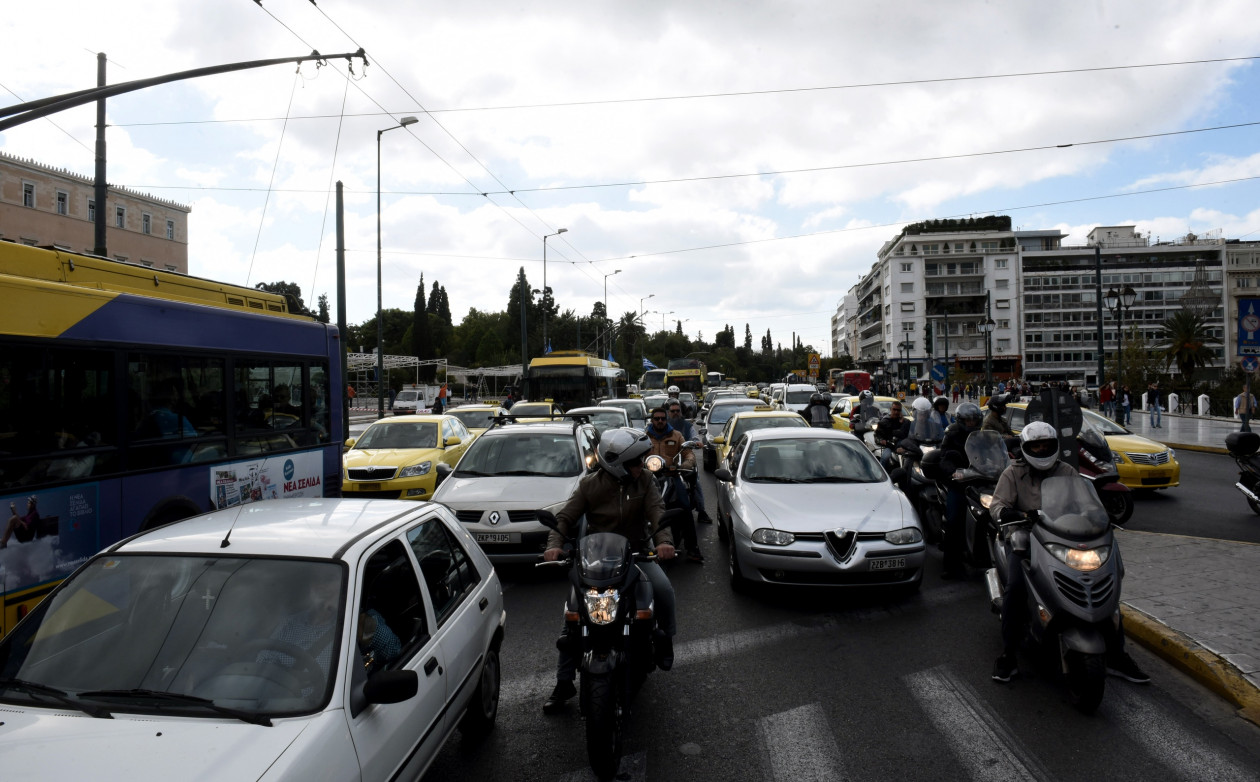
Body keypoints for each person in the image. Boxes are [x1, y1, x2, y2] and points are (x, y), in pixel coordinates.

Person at [989, 421, 1149, 685]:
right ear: (1026, 448)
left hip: (1063, 538)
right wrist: (1008, 513)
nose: (1041, 450)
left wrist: (1093, 515)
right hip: (1025, 539)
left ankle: (1118, 656)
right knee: (1016, 589)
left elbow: (1084, 502)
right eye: (1035, 446)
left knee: (1105, 588)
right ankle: (1008, 654)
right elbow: (998, 504)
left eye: (1046, 445)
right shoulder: (1012, 473)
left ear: (1055, 447)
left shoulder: (1066, 471)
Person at [541, 427, 676, 713]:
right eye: (636, 461)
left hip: (637, 553)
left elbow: (657, 512)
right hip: (595, 560)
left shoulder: (646, 481)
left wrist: (664, 542)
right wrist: (554, 544)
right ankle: (564, 681)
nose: (641, 465)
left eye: (642, 460)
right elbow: (565, 518)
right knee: (573, 616)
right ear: (617, 464)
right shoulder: (590, 485)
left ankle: (665, 641)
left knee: (663, 590)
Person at [646, 407, 702, 561]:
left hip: (671, 475)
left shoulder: (677, 436)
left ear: (666, 419)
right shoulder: (644, 436)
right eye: (656, 418)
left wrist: (686, 464)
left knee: (685, 507)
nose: (660, 421)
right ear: (652, 420)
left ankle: (693, 549)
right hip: (647, 477)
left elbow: (688, 454)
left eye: (662, 418)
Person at [937, 401, 984, 579]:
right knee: (954, 520)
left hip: (981, 480)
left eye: (974, 420)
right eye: (968, 420)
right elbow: (944, 457)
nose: (971, 423)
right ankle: (950, 565)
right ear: (961, 420)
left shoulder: (982, 435)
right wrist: (954, 472)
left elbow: (994, 449)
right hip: (960, 484)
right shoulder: (952, 434)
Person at [666, 400, 712, 524]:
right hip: (665, 461)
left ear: (681, 412)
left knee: (694, 481)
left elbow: (694, 437)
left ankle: (701, 511)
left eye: (677, 411)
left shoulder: (687, 425)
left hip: (685, 457)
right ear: (668, 413)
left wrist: (696, 442)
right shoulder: (661, 425)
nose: (675, 413)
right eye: (672, 411)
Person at [874, 400, 911, 473]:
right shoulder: (884, 422)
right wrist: (883, 441)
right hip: (889, 446)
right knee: (886, 457)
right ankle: (881, 475)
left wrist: (902, 423)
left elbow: (907, 435)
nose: (896, 412)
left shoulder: (906, 422)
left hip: (904, 446)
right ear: (890, 409)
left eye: (898, 410)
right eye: (894, 409)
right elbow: (877, 436)